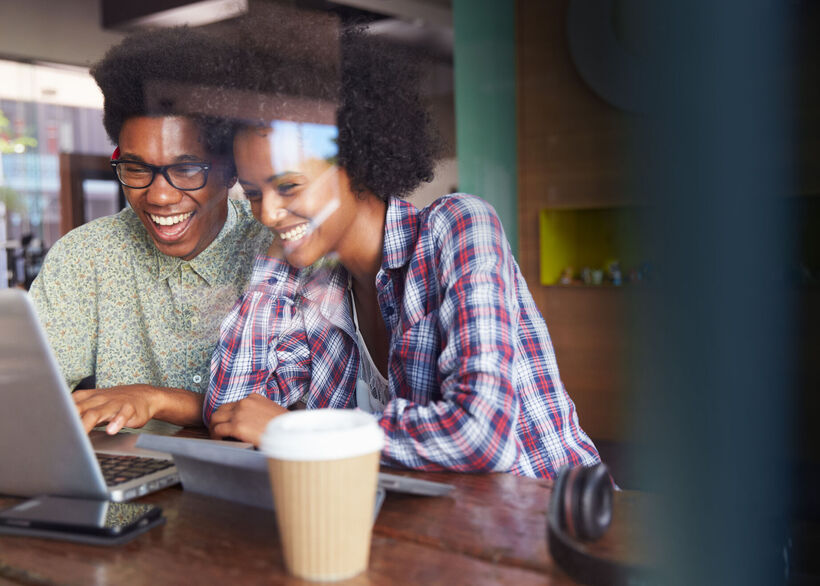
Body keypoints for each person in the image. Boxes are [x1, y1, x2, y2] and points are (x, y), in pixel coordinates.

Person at [203, 28, 600, 478]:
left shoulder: (458, 226)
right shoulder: (313, 287)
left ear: (355, 162)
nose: (269, 212)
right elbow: (231, 412)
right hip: (441, 533)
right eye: (253, 194)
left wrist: (297, 430)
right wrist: (273, 260)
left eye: (289, 186)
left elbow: (481, 436)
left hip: (557, 523)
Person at [30, 27, 272, 435]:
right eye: (137, 168)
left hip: (248, 495)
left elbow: (290, 415)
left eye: (185, 168)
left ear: (230, 168)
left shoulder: (275, 249)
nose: (158, 196)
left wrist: (156, 399)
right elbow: (31, 393)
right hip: (121, 494)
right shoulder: (86, 257)